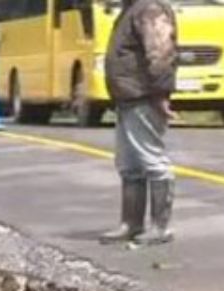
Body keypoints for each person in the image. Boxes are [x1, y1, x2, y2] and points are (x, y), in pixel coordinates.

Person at [99, 0, 179, 246]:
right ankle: (131, 223)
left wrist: (161, 93)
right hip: (128, 96)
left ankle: (159, 226)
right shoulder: (131, 9)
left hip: (143, 95)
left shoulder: (149, 9)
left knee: (152, 160)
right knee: (129, 164)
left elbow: (161, 53)